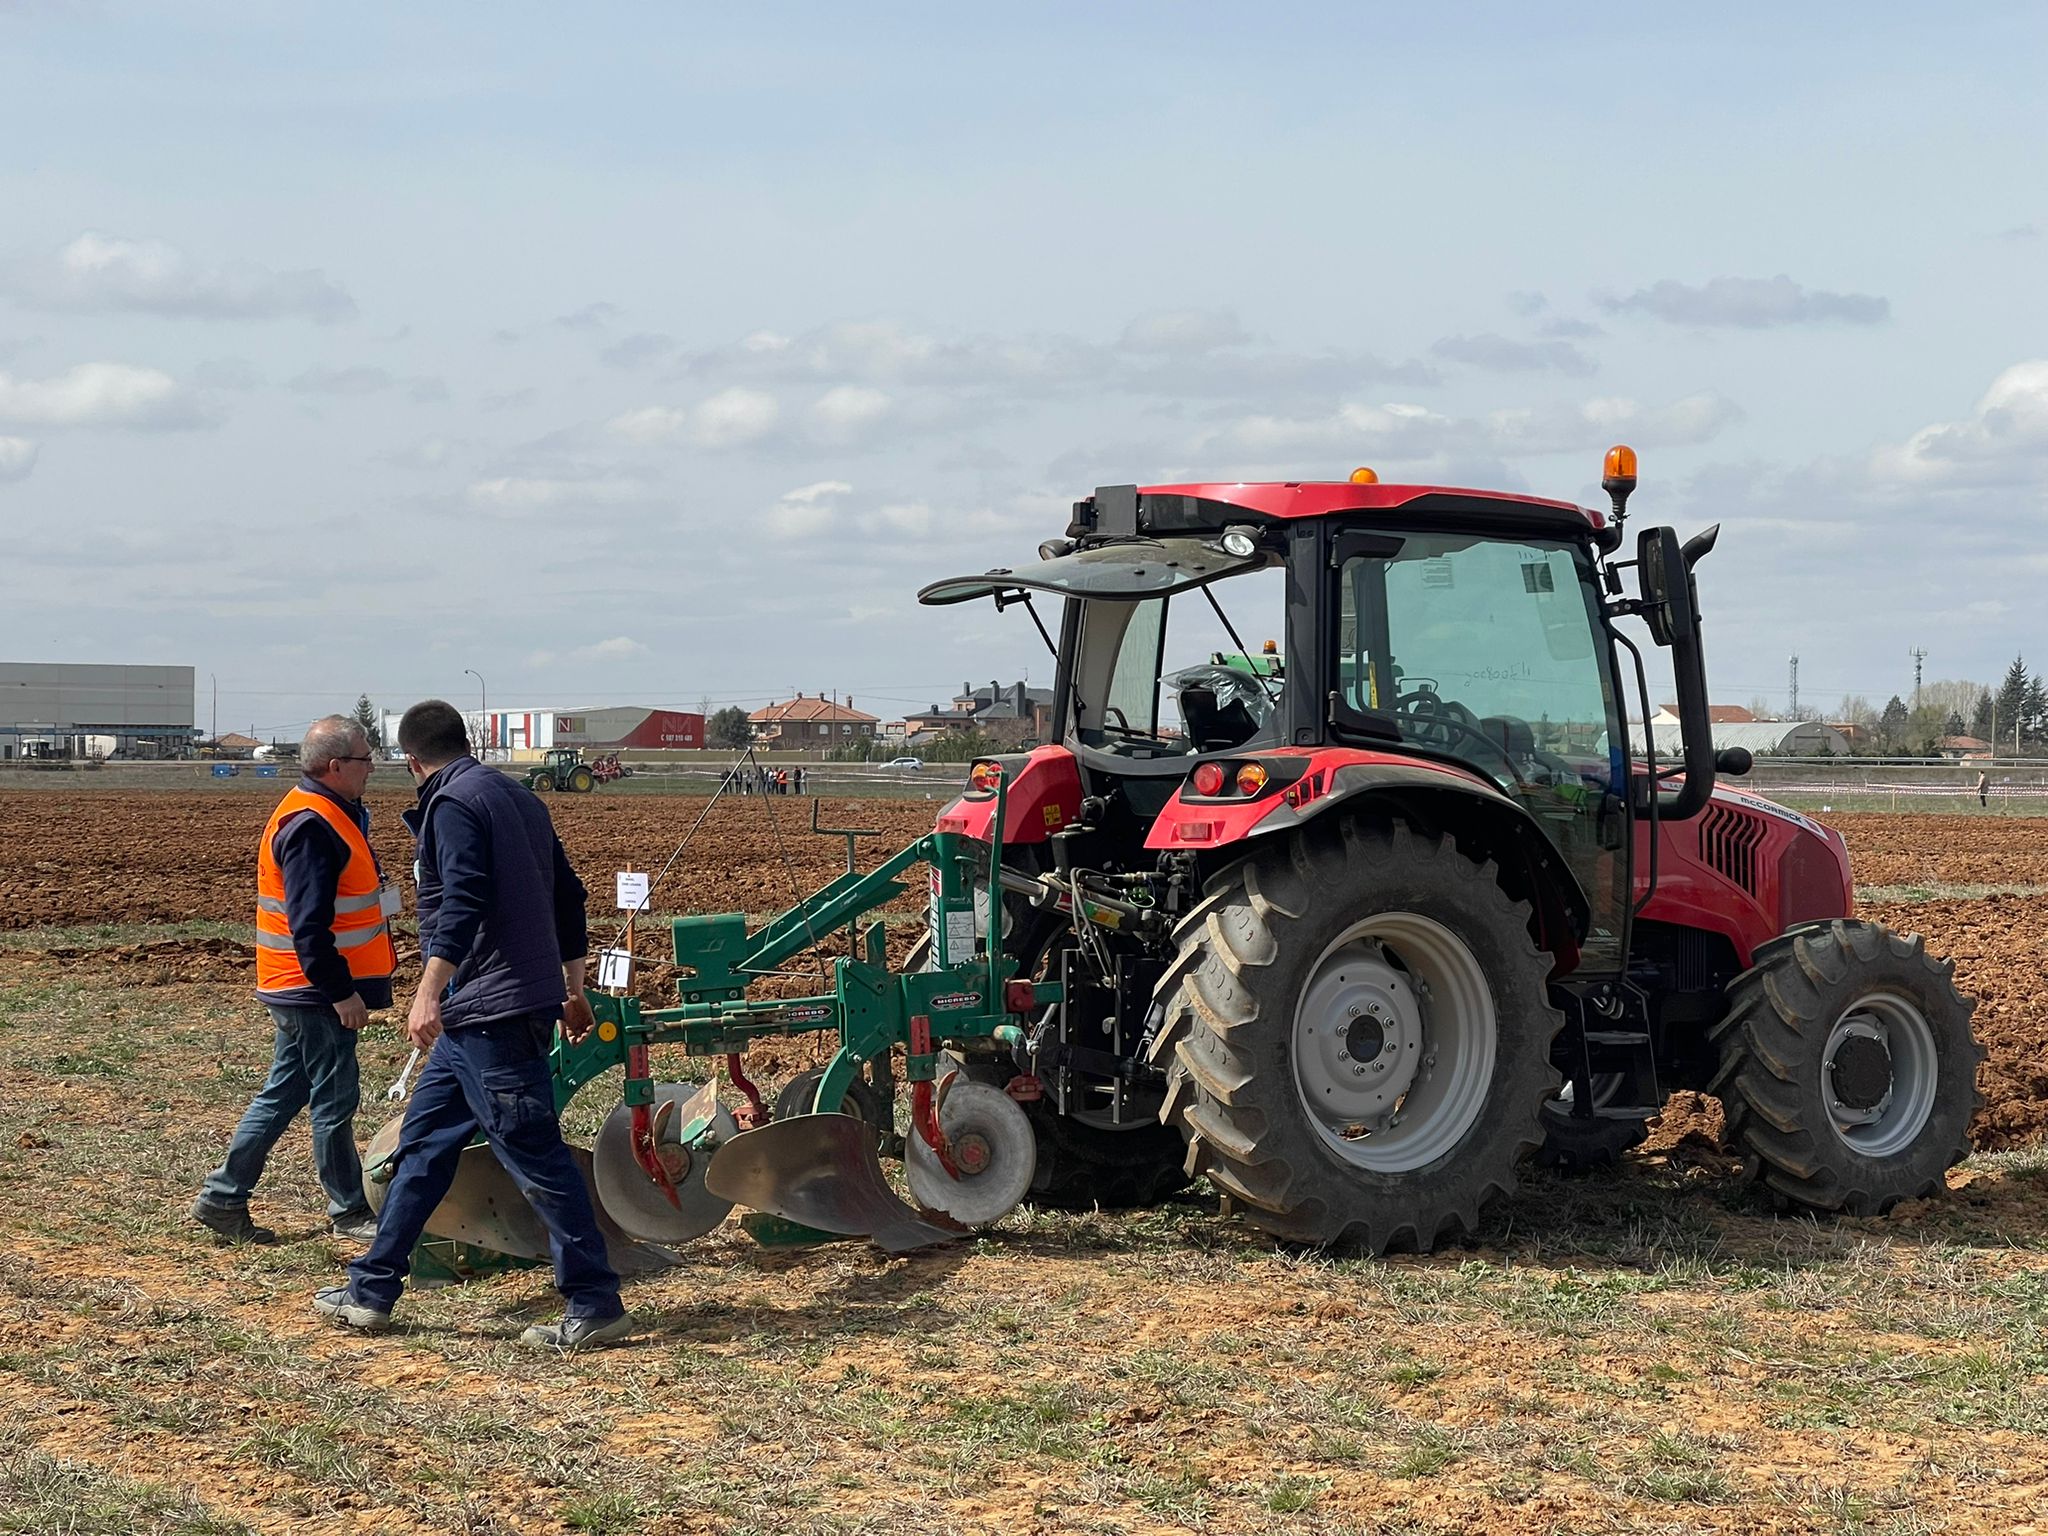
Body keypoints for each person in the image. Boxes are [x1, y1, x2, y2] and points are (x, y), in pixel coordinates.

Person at [314, 699, 631, 1351]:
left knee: (536, 1154)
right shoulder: (516, 797)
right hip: (483, 1016)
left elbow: (460, 901)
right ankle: (371, 1289)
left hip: (493, 1009)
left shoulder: (453, 805)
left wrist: (428, 992)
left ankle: (596, 1302)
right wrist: (574, 988)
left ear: (412, 761)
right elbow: (568, 895)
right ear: (464, 741)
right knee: (423, 1147)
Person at [192, 716, 393, 1245]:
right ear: (335, 767)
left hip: (297, 984)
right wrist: (341, 993)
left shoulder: (329, 812)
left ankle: (223, 1197)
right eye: (365, 759)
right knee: (335, 1098)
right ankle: (349, 1212)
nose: (372, 768)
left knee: (285, 1091)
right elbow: (309, 926)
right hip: (312, 989)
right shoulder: (312, 825)